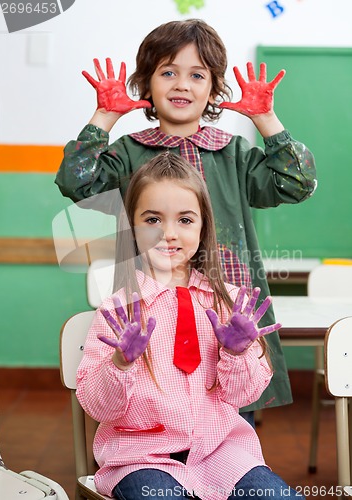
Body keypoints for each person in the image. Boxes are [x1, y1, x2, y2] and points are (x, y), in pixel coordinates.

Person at [55, 19, 317, 423]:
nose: (182, 84)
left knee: (230, 423)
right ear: (146, 85)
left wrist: (265, 119)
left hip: (224, 316)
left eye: (197, 75)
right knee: (150, 410)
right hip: (151, 315)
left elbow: (298, 183)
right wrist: (104, 117)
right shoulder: (128, 153)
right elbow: (76, 181)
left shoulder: (234, 154)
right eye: (168, 72)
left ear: (213, 89)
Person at [76, 152, 304, 499]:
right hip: (138, 460)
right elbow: (98, 408)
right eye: (152, 219)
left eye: (185, 220)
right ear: (131, 227)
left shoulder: (228, 303)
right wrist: (119, 363)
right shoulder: (118, 312)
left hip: (222, 454)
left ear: (203, 227)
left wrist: (238, 353)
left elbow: (245, 396)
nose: (168, 233)